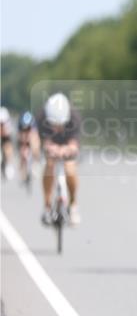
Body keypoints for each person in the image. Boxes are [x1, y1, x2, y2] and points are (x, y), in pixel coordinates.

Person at [38, 93, 82, 225]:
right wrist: (51, 148)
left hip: (67, 145)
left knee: (70, 168)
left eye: (60, 124)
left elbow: (74, 144)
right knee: (49, 165)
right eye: (54, 124)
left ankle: (73, 205)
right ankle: (47, 206)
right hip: (52, 145)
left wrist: (67, 149)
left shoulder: (74, 117)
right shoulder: (42, 117)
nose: (57, 127)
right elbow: (44, 142)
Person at [17, 111, 40, 183]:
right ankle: (22, 171)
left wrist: (34, 147)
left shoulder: (33, 125)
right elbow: (19, 137)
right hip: (23, 140)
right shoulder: (20, 126)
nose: (26, 128)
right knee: (22, 152)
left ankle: (36, 163)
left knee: (35, 145)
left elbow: (35, 136)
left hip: (32, 138)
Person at [0, 107, 13, 181]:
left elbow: (7, 135)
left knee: (7, 147)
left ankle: (8, 164)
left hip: (5, 138)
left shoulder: (8, 125)